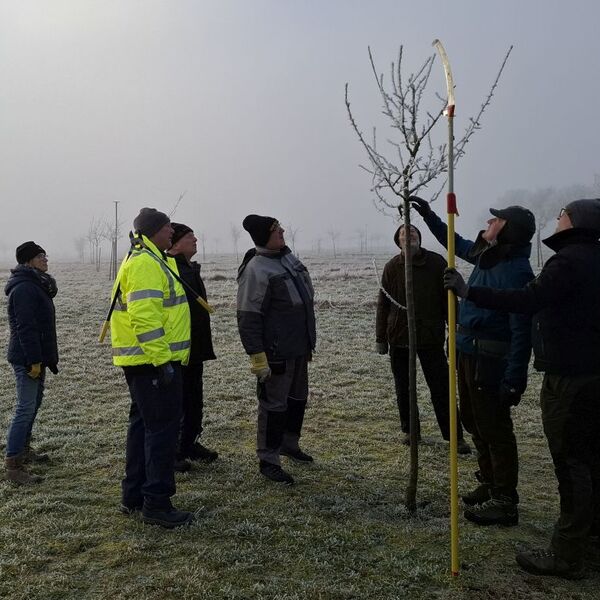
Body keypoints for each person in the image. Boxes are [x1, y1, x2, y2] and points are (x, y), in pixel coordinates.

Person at [444, 198, 600, 579]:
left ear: (577, 221)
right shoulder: (587, 258)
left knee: (571, 462)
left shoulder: (568, 261)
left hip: (570, 375)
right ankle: (588, 540)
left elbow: (525, 304)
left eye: (562, 214)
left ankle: (566, 554)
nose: (557, 218)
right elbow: (463, 244)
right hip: (585, 371)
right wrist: (433, 216)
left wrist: (468, 293)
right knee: (588, 460)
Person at [411, 197, 535, 526]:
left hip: (489, 359)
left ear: (508, 231)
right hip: (466, 352)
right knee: (471, 419)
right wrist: (429, 216)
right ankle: (489, 481)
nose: (488, 223)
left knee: (494, 427)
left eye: (496, 221)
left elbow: (522, 328)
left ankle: (505, 500)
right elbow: (455, 242)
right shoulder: (486, 255)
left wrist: (515, 377)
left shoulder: (516, 269)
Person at [110, 208, 193, 528]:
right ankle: (156, 503)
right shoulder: (145, 263)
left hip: (145, 362)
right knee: (161, 431)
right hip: (153, 362)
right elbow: (144, 318)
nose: (172, 230)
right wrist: (163, 362)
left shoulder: (151, 257)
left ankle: (134, 495)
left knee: (143, 427)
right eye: (168, 225)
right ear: (155, 230)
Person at [375, 224, 471, 454]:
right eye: (403, 234)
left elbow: (449, 301)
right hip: (399, 337)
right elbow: (383, 304)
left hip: (430, 337)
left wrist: (455, 331)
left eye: (413, 233)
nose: (408, 237)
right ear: (397, 241)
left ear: (420, 238)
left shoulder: (436, 263)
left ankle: (455, 436)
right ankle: (411, 431)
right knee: (404, 388)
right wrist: (381, 337)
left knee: (441, 387)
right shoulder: (392, 267)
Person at [237, 214, 316, 485]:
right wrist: (257, 357)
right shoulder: (256, 269)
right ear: (263, 236)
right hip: (276, 353)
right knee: (273, 407)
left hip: (299, 347)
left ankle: (289, 445)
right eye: (276, 229)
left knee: (297, 401)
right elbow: (248, 317)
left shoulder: (287, 258)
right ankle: (268, 459)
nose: (282, 231)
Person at [4, 242, 58, 484]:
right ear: (28, 261)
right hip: (27, 357)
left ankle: (24, 451)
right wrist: (34, 360)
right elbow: (25, 327)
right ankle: (13, 465)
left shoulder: (36, 283)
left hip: (36, 355)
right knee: (25, 408)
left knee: (33, 404)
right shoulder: (25, 288)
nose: (45, 259)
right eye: (40, 256)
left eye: (44, 254)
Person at [167, 222, 218, 466]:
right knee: (180, 398)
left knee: (194, 397)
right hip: (179, 348)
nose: (196, 239)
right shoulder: (170, 270)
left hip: (195, 346)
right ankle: (175, 448)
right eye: (190, 236)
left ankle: (189, 442)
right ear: (175, 243)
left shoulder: (189, 268)